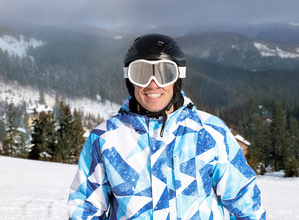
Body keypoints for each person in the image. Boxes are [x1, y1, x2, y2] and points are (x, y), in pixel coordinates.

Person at [67, 34, 266, 219]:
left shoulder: (209, 132)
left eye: (164, 73)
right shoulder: (105, 139)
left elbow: (245, 202)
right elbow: (85, 209)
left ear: (177, 78)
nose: (153, 84)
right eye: (141, 73)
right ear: (130, 80)